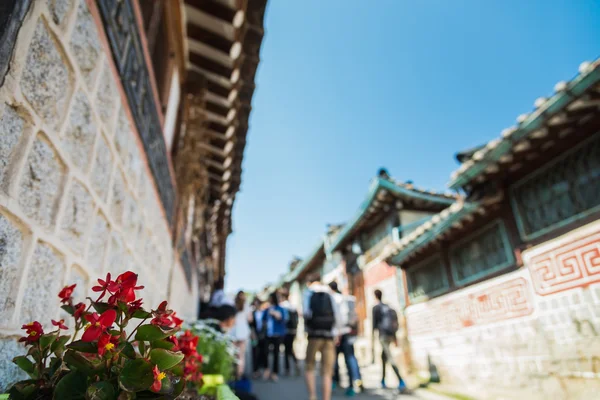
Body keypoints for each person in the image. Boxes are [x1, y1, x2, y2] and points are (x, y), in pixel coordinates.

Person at [303, 274, 342, 400]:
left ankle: (312, 396)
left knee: (310, 366)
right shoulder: (329, 293)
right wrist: (335, 332)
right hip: (329, 336)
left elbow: (306, 313)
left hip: (314, 335)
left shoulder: (308, 293)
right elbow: (337, 316)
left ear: (309, 282)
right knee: (327, 371)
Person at [329, 281, 363, 397]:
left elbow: (340, 318)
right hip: (348, 332)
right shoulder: (345, 298)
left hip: (339, 333)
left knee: (336, 359)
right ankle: (355, 381)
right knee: (350, 358)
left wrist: (337, 334)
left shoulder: (333, 299)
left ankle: (336, 382)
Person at [372, 289, 408, 394]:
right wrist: (395, 337)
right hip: (391, 335)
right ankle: (382, 380)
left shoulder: (376, 308)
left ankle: (401, 381)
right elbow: (394, 323)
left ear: (375, 296)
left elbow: (374, 325)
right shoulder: (388, 307)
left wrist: (373, 340)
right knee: (383, 357)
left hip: (383, 336)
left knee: (389, 357)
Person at [263, 291, 287, 381]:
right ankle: (267, 369)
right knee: (266, 352)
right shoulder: (267, 309)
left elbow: (284, 319)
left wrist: (276, 314)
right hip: (268, 334)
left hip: (278, 334)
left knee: (276, 354)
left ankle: (274, 372)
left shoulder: (280, 309)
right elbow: (263, 319)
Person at [230, 291, 251, 379]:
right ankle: (239, 373)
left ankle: (232, 373)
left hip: (234, 331)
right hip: (243, 331)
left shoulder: (233, 304)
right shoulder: (246, 305)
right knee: (241, 355)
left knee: (233, 353)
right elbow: (250, 319)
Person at [280, 289, 300, 376]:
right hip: (293, 330)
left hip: (285, 330)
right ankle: (295, 363)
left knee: (287, 349)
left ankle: (287, 368)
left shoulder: (282, 306)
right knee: (290, 348)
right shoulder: (293, 306)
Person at [250, 300, 269, 379]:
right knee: (255, 352)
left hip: (264, 336)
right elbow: (251, 324)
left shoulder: (265, 313)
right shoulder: (252, 313)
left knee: (264, 352)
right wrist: (252, 333)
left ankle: (265, 369)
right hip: (255, 335)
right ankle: (255, 370)